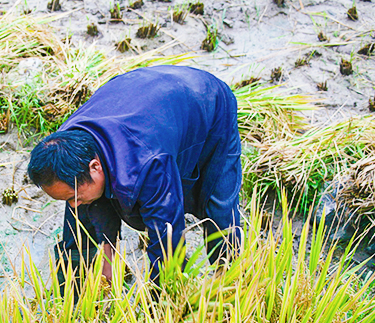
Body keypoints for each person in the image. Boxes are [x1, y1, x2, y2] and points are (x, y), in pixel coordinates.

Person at [27, 65, 242, 295]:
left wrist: (160, 307)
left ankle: (231, 284)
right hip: (143, 98)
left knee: (219, 208)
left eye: (72, 197)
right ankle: (75, 296)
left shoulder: (147, 162)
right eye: (65, 199)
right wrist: (107, 256)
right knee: (81, 224)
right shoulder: (66, 151)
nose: (72, 204)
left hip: (205, 100)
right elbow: (80, 233)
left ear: (95, 166)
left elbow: (167, 238)